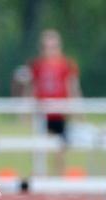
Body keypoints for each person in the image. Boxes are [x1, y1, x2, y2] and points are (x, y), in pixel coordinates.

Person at [28, 29, 81, 174]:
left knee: (61, 148)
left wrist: (76, 108)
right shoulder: (37, 65)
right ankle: (39, 176)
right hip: (42, 112)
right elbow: (33, 86)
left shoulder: (66, 64)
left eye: (53, 46)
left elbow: (72, 86)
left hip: (60, 112)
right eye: (46, 46)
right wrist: (28, 109)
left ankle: (59, 177)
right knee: (39, 147)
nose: (49, 50)